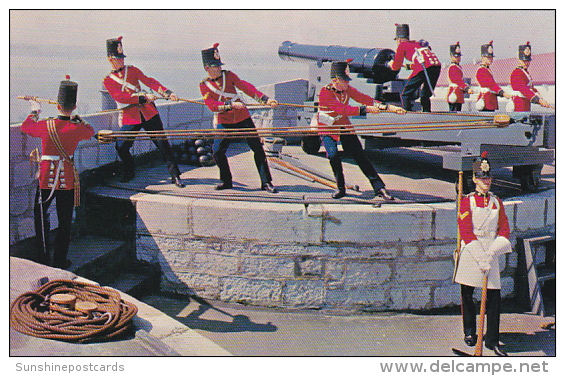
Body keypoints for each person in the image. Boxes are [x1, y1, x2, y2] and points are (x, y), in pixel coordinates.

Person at [21, 77, 94, 269]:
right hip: (68, 179)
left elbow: (25, 127)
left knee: (41, 216)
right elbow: (90, 131)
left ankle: (43, 259)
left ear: (58, 104)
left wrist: (35, 110)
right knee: (65, 222)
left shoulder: (47, 125)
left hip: (46, 177)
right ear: (74, 105)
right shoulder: (77, 128)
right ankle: (60, 260)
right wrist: (79, 118)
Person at [317, 59, 406, 200]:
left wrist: (389, 108)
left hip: (343, 125)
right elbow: (343, 109)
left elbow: (364, 99)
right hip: (328, 127)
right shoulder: (325, 93)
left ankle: (379, 188)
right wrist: (366, 110)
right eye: (344, 80)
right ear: (335, 80)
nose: (348, 83)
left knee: (360, 155)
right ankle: (340, 187)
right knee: (333, 155)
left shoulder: (347, 90)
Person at [103, 36, 184, 187]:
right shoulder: (108, 80)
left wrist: (166, 92)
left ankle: (175, 176)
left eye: (121, 58)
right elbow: (120, 97)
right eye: (117, 58)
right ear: (110, 59)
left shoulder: (133, 70)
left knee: (162, 144)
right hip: (130, 117)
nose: (121, 61)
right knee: (121, 146)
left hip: (149, 113)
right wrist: (142, 97)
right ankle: (129, 171)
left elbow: (149, 81)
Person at [454, 151, 512, 356]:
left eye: (488, 177)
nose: (485, 181)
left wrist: (491, 253)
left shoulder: (497, 202)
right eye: (481, 177)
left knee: (494, 297)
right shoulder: (466, 201)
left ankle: (493, 340)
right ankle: (470, 332)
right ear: (474, 179)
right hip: (472, 250)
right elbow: (466, 232)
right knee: (467, 293)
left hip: (491, 250)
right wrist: (481, 257)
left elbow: (504, 230)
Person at [199, 43, 278, 193]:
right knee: (217, 151)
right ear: (207, 68)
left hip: (242, 118)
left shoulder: (229, 76)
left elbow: (246, 87)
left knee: (257, 149)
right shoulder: (204, 85)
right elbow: (212, 106)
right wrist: (230, 105)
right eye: (215, 66)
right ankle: (226, 181)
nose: (219, 68)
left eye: (219, 65)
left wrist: (265, 99)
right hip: (225, 121)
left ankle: (266, 182)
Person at [386, 23, 442, 112]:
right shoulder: (417, 44)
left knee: (404, 94)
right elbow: (421, 62)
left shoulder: (402, 45)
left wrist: (391, 65)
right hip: (436, 66)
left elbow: (395, 67)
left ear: (399, 39)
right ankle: (427, 114)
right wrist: (406, 66)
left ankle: (408, 116)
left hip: (424, 67)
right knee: (425, 95)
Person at [509, 42, 552, 112]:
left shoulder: (525, 73)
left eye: (528, 61)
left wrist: (540, 98)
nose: (526, 63)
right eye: (524, 61)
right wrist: (538, 100)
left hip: (525, 105)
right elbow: (524, 89)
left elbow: (531, 88)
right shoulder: (516, 73)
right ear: (518, 60)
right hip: (518, 105)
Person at [475, 41, 511, 112]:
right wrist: (502, 93)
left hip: (490, 100)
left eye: (491, 57)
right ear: (482, 57)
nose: (490, 59)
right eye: (488, 57)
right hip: (486, 100)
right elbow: (491, 84)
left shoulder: (487, 69)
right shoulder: (481, 70)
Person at [447, 42, 473, 112]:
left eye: (459, 56)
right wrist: (466, 88)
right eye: (456, 56)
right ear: (451, 56)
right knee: (454, 113)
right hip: (454, 93)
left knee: (458, 111)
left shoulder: (458, 67)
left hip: (458, 94)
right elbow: (458, 81)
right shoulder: (453, 67)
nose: (458, 58)